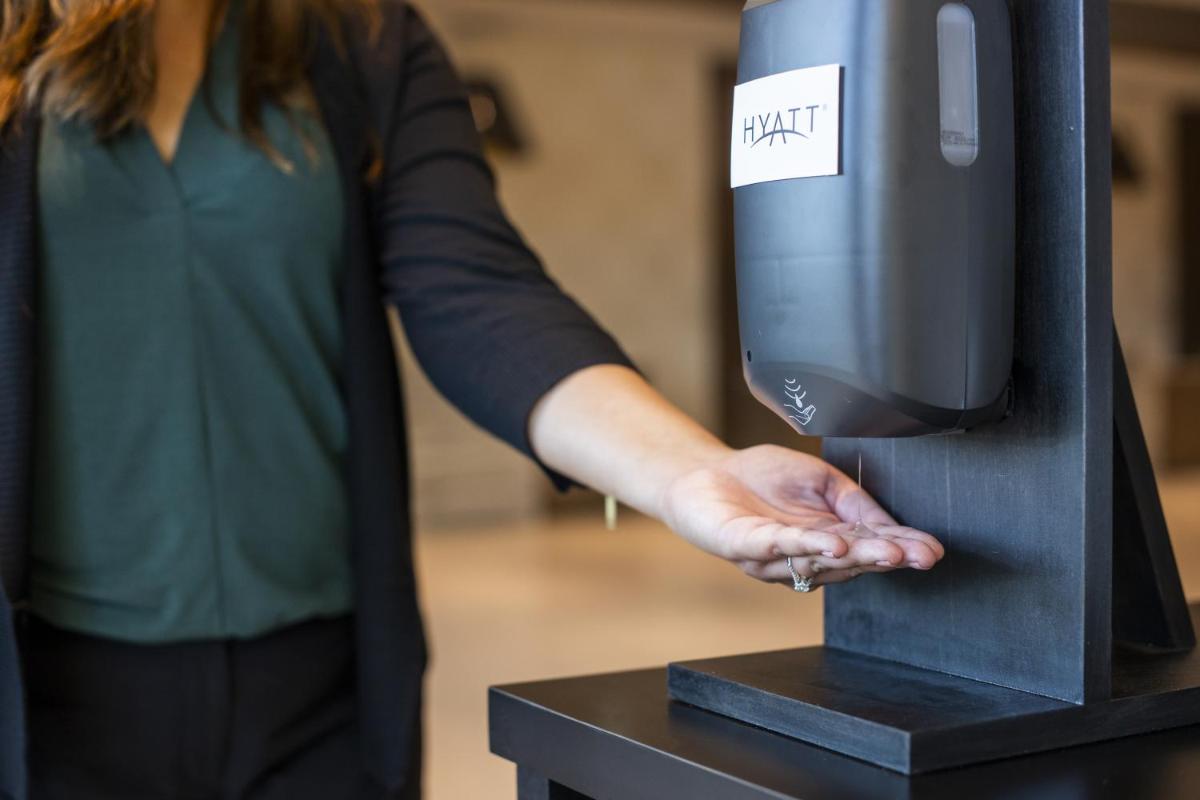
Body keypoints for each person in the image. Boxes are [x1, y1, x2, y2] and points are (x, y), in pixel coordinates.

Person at [0, 1, 945, 797]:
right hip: (54, 688)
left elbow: (477, 297)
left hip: (320, 683)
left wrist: (698, 474)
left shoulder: (359, 39)